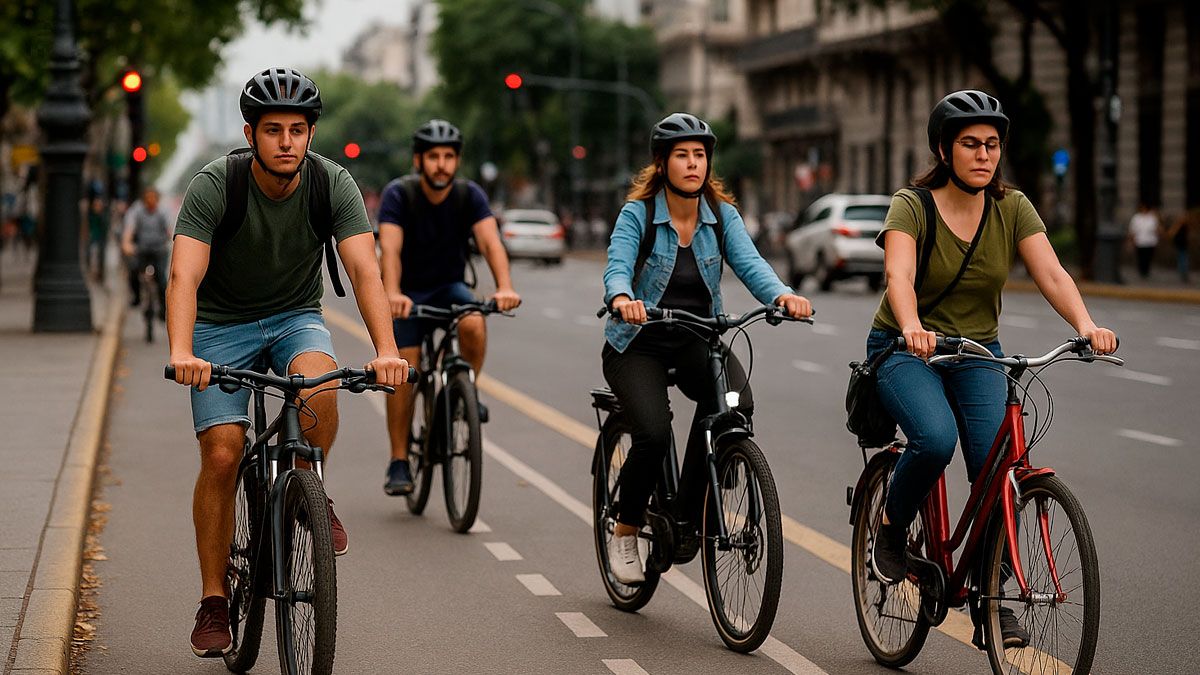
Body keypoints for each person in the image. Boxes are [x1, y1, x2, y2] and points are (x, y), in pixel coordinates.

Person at [166, 67, 409, 658]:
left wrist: (386, 351)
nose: (285, 142)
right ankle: (214, 599)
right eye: (272, 130)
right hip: (219, 325)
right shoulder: (215, 185)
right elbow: (184, 274)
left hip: (294, 314)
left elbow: (365, 269)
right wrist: (181, 351)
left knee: (318, 387)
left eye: (297, 130)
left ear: (309, 134)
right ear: (250, 134)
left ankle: (310, 485)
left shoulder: (333, 184)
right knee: (223, 452)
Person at [864, 90, 1117, 649]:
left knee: (999, 467)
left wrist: (1086, 326)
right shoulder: (913, 204)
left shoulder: (1013, 207)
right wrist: (911, 326)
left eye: (992, 145)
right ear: (943, 148)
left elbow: (1051, 273)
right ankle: (889, 528)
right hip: (906, 348)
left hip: (978, 351)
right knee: (933, 440)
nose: (983, 154)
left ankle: (991, 597)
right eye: (970, 144)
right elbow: (898, 277)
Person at [601, 113, 813, 585]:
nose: (693, 163)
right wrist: (622, 298)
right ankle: (626, 530)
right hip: (639, 342)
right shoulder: (638, 214)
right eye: (682, 155)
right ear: (663, 162)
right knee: (654, 435)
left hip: (698, 337)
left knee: (736, 406)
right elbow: (617, 265)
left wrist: (781, 295)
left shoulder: (722, 216)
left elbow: (751, 263)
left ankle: (688, 507)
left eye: (700, 155)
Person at [376, 119, 520, 496]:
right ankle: (398, 460)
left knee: (474, 322)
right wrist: (391, 292)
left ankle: (464, 391)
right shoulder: (399, 194)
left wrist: (504, 286)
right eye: (433, 157)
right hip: (408, 294)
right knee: (405, 371)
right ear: (418, 160)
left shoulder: (468, 195)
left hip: (449, 287)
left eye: (449, 157)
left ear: (457, 161)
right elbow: (389, 248)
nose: (441, 164)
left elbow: (490, 243)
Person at [121, 187, 170, 314]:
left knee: (161, 277)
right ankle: (136, 297)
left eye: (153, 198)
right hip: (142, 249)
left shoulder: (163, 212)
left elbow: (169, 231)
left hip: (159, 250)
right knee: (134, 270)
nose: (150, 201)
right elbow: (130, 229)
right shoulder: (137, 211)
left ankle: (163, 308)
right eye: (148, 198)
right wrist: (127, 244)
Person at [1127, 202, 1161, 280]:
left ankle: (1146, 271)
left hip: (1150, 242)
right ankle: (1142, 272)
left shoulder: (1152, 217)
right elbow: (1132, 230)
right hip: (1140, 241)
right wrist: (1131, 241)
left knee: (1148, 257)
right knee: (1141, 257)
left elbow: (1157, 229)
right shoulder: (1136, 218)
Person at [1167, 208, 1195, 283]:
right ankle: (1183, 273)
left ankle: (1184, 273)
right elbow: (1171, 233)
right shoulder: (1178, 225)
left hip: (1184, 245)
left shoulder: (1186, 225)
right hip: (1180, 245)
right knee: (1182, 259)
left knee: (1183, 258)